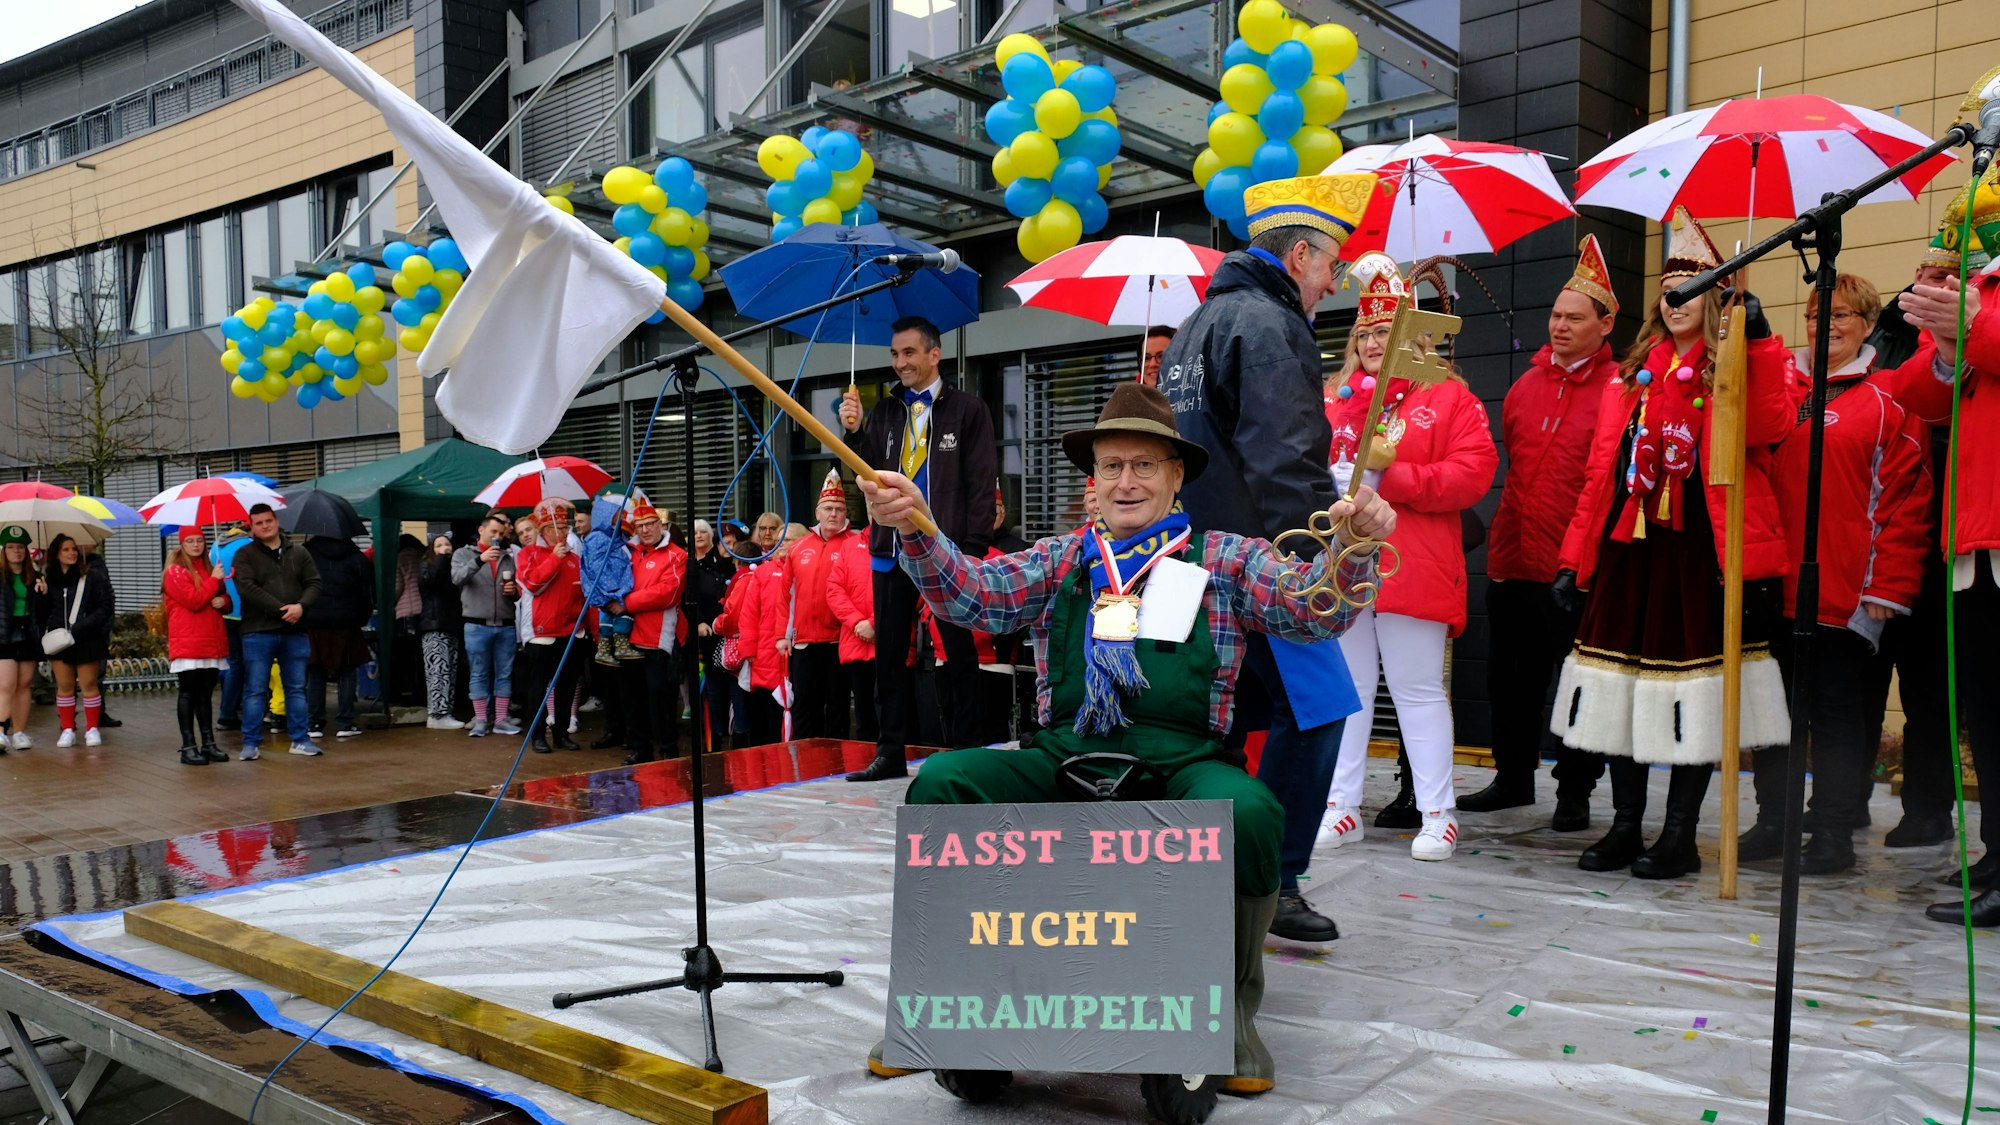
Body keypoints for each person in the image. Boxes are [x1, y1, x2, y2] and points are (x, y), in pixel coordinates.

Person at [855, 382, 1395, 1094]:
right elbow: (974, 595)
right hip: (1064, 751)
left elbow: (1313, 613)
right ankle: (939, 1003)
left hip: (1185, 763)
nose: (1126, 480)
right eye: (1111, 465)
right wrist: (920, 528)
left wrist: (1354, 547)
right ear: (1095, 480)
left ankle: (1225, 1012)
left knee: (1256, 812)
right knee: (941, 784)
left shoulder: (1226, 557)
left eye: (1145, 465)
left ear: (1177, 477)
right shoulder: (1061, 558)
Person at [1154, 173, 1375, 940]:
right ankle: (1270, 882)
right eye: (1331, 267)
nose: (1332, 284)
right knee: (1318, 713)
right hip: (1262, 564)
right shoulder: (1271, 326)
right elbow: (1286, 463)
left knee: (1207, 721)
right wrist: (1324, 567)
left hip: (1185, 560)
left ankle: (1200, 870)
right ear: (1301, 254)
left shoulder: (1192, 327)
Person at [1549, 206, 1796, 879]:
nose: (1676, 296)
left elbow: (1773, 424)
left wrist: (1763, 344)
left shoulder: (1738, 365)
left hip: (1701, 553)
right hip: (1632, 549)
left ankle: (1680, 833)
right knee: (1623, 693)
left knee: (1693, 696)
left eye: (1692, 284)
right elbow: (1602, 473)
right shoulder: (1630, 377)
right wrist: (1575, 557)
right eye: (1668, 286)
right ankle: (1627, 824)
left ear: (1716, 295)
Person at [1732, 274, 1934, 876]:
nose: (1828, 326)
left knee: (1839, 716)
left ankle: (1832, 832)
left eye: (1844, 315)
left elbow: (1908, 504)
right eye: (1819, 315)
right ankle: (1777, 821)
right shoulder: (1781, 391)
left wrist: (1888, 587)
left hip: (1845, 591)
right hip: (1773, 583)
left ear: (1869, 325)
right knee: (1773, 714)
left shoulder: (1889, 398)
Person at [1321, 254, 1499, 861]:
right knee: (1348, 690)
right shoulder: (1336, 401)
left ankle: (1438, 812)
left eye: (1385, 329)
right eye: (1364, 332)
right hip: (1344, 564)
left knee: (1416, 689)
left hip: (1412, 564)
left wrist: (1392, 477)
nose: (1373, 342)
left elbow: (1474, 475)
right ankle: (1341, 807)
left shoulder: (1447, 397)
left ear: (1412, 334)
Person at [1465, 236, 1622, 823]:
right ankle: (1511, 778)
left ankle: (1575, 792)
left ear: (1605, 325)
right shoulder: (1526, 386)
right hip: (1513, 556)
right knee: (1510, 679)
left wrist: (1583, 559)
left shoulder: (1619, 388)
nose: (1559, 326)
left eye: (1574, 318)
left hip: (1577, 565)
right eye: (1555, 315)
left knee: (1579, 684)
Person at [1891, 221, 2000, 925]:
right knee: (1987, 714)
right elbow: (1917, 396)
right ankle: (1998, 850)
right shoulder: (1981, 288)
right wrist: (1952, 344)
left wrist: (1973, 331)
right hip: (1977, 533)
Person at [839, 315, 998, 780]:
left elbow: (980, 484)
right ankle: (890, 752)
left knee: (958, 651)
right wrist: (852, 430)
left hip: (945, 551)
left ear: (934, 354)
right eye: (894, 354)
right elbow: (866, 475)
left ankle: (967, 747)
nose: (900, 363)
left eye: (909, 353)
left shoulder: (968, 410)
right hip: (890, 548)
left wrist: (972, 550)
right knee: (888, 656)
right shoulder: (887, 410)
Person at [234, 503, 324, 759]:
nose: (264, 526)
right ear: (251, 527)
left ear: (276, 521)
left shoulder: (299, 552)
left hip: (295, 631)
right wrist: (282, 609)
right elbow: (247, 588)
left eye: (268, 521)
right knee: (256, 690)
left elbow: (314, 583)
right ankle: (251, 744)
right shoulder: (245, 555)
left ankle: (300, 739)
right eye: (258, 523)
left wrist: (301, 607)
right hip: (258, 631)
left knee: (296, 688)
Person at [785, 471, 865, 739]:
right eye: (828, 508)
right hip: (804, 642)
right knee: (805, 711)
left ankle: (836, 771)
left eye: (840, 509)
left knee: (838, 711)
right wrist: (781, 637)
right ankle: (805, 774)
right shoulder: (798, 548)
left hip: (839, 641)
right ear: (817, 512)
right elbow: (785, 596)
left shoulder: (856, 545)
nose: (834, 514)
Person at [618, 504, 688, 763]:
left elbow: (668, 593)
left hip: (660, 638)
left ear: (661, 525)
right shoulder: (627, 552)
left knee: (660, 698)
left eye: (650, 524)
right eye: (640, 526)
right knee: (633, 699)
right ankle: (641, 748)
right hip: (628, 637)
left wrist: (627, 602)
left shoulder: (676, 555)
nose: (645, 530)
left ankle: (668, 749)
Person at [517, 499, 585, 753]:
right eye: (558, 528)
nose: (564, 532)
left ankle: (561, 733)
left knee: (567, 687)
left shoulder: (576, 558)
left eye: (566, 527)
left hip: (571, 632)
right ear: (544, 531)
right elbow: (533, 584)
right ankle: (536, 735)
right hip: (541, 634)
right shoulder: (527, 555)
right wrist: (554, 559)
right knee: (538, 688)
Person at [161, 528, 232, 765]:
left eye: (200, 540)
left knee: (205, 694)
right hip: (189, 640)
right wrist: (214, 581)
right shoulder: (175, 571)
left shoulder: (211, 568)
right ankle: (188, 745)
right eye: (190, 541)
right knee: (189, 692)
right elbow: (194, 600)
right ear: (182, 544)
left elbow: (223, 599)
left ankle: (209, 743)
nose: (196, 545)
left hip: (211, 639)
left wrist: (224, 601)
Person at [40, 534, 115, 749]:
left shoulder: (90, 576)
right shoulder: (48, 579)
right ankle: (67, 729)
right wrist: (42, 594)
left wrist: (83, 627)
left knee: (89, 684)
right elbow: (43, 612)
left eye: (73, 549)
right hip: (59, 640)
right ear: (56, 554)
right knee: (64, 686)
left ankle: (92, 728)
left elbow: (104, 606)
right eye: (66, 549)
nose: (71, 553)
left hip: (86, 638)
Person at [452, 510, 521, 738]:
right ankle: (481, 720)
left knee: (505, 672)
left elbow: (518, 593)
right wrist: (479, 560)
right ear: (481, 530)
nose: (497, 537)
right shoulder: (463, 554)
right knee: (479, 672)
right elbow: (457, 578)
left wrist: (513, 592)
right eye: (493, 531)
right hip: (476, 623)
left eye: (501, 533)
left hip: (505, 623)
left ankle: (501, 719)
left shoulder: (508, 557)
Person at [302, 532, 374, 742]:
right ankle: (345, 722)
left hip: (314, 621)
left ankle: (314, 723)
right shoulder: (356, 556)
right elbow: (367, 592)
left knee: (315, 671)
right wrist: (361, 617)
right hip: (347, 621)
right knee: (347, 670)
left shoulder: (306, 554)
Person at [685, 519, 737, 752]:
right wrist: (697, 623)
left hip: (728, 632)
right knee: (712, 689)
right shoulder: (688, 566)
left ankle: (734, 733)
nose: (699, 536)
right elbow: (685, 601)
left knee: (732, 685)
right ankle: (714, 738)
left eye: (703, 532)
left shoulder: (724, 563)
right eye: (694, 532)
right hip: (705, 634)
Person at [825, 519, 878, 742]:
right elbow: (834, 589)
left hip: (890, 642)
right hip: (856, 641)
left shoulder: (905, 542)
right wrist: (857, 622)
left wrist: (875, 624)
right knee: (864, 716)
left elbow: (908, 594)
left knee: (894, 714)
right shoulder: (849, 546)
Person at [0, 527, 42, 751]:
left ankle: (19, 733)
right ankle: (0, 732)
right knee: (6, 684)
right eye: (10, 547)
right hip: (4, 633)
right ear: (4, 551)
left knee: (24, 684)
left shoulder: (34, 577)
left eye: (20, 547)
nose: (16, 551)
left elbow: (43, 611)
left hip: (27, 632)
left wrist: (42, 593)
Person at [418, 534, 465, 730]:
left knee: (449, 670)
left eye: (447, 544)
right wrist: (441, 559)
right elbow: (431, 582)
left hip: (450, 624)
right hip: (433, 625)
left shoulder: (454, 569)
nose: (444, 548)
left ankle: (445, 711)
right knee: (437, 670)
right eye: (438, 545)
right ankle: (437, 713)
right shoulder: (427, 566)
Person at [212, 524, 253, 732]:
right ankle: (231, 713)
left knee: (232, 663)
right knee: (246, 665)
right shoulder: (250, 545)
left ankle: (228, 711)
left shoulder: (215, 547)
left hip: (224, 611)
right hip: (245, 612)